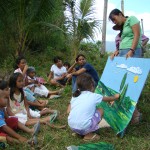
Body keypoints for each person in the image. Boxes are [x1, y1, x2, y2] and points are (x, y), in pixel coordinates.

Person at [109, 8, 142, 124]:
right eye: (112, 21)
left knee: (131, 83)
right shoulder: (123, 28)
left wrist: (132, 50)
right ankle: (129, 112)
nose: (114, 22)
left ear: (120, 14)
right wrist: (117, 51)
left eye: (114, 19)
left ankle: (135, 114)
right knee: (122, 84)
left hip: (132, 52)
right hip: (123, 53)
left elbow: (137, 34)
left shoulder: (132, 19)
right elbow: (122, 42)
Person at [67, 73, 120, 141]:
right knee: (100, 110)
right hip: (84, 127)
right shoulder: (94, 96)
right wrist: (115, 97)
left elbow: (68, 111)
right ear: (92, 85)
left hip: (72, 126)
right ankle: (88, 135)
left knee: (88, 112)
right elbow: (108, 99)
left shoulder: (75, 96)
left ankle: (78, 133)